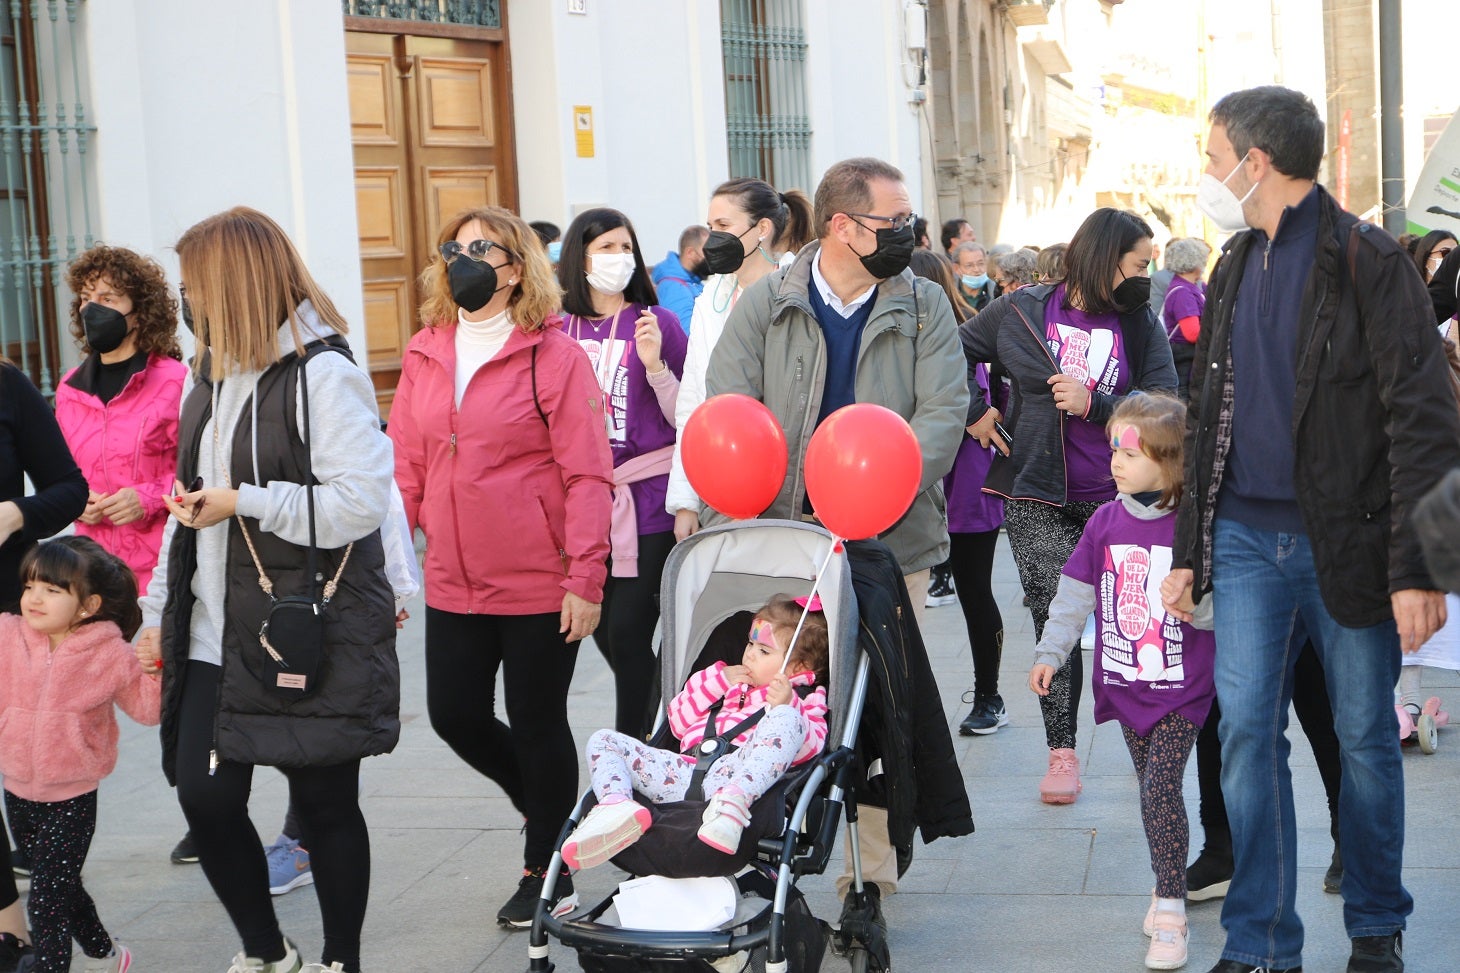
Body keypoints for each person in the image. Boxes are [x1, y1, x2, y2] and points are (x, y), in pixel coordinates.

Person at [1162, 85, 1460, 973]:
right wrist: (1191, 550)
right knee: (1248, 732)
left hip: (1353, 543)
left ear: (1255, 162)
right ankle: (1259, 940)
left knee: (1366, 739)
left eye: (1214, 155)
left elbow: (1423, 416)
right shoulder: (1232, 261)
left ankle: (1375, 927)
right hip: (1247, 543)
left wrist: (1422, 569)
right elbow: (1208, 413)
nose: (1208, 172)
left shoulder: (1367, 259)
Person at [705, 156, 971, 920]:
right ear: (842, 227)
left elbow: (943, 414)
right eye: (895, 223)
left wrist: (880, 494)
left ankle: (869, 878)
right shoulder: (768, 303)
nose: (910, 235)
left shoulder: (923, 304)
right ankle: (755, 850)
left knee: (882, 708)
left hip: (892, 540)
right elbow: (730, 403)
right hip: (783, 535)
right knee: (774, 698)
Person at [138, 206, 399, 973]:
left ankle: (339, 957)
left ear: (233, 285)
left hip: (295, 626)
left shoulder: (324, 372)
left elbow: (361, 503)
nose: (187, 303)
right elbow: (184, 508)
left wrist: (246, 499)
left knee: (324, 805)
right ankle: (265, 948)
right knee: (204, 797)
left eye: (194, 287)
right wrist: (159, 610)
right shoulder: (208, 377)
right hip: (212, 629)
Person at [390, 205, 612, 929]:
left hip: (538, 577)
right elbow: (405, 468)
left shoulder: (554, 355)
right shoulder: (426, 350)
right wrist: (394, 567)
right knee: (455, 713)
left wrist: (585, 575)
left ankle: (544, 864)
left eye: (480, 247)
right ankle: (553, 811)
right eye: (453, 246)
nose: (463, 258)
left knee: (536, 718)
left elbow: (587, 474)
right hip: (454, 574)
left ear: (515, 267)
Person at [963, 207, 1176, 803]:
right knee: (1053, 617)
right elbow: (953, 351)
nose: (1145, 276)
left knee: (1129, 622)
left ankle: (1151, 742)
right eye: (1138, 264)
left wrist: (1098, 403)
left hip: (1121, 500)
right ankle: (1061, 753)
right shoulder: (1023, 309)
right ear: (1106, 259)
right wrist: (974, 410)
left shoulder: (1139, 322)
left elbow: (1164, 401)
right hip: (1037, 492)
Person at [1030, 395, 1213, 971]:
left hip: (1183, 687)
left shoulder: (1194, 526)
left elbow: (1226, 600)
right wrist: (1051, 651)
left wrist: (1196, 609)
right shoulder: (1105, 522)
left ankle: (1171, 908)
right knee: (1150, 794)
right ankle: (1166, 881)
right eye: (1113, 448)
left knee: (1162, 788)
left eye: (1129, 452)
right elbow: (1073, 594)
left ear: (1170, 460)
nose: (1115, 461)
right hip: (1124, 684)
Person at [561, 595, 829, 868]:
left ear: (798, 667)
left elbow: (813, 747)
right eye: (750, 643)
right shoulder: (718, 678)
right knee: (604, 740)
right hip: (683, 771)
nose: (749, 653)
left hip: (738, 775)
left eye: (763, 651)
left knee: (788, 719)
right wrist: (716, 684)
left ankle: (732, 808)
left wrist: (788, 704)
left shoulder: (804, 700)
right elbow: (676, 725)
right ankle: (615, 806)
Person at [0, 537, 158, 973]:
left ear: (87, 605)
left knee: (47, 902)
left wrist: (155, 667)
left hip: (72, 797)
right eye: (31, 585)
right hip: (17, 790)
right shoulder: (9, 636)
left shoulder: (109, 654)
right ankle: (106, 955)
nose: (35, 598)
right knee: (62, 888)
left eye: (53, 590)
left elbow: (148, 710)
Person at [559, 207, 687, 737]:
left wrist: (655, 364)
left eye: (624, 247)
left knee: (630, 631)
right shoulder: (554, 327)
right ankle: (679, 715)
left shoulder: (657, 322)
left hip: (647, 503)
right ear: (578, 258)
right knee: (606, 634)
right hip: (582, 507)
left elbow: (687, 417)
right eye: (605, 248)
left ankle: (630, 756)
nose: (618, 258)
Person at [665, 177, 815, 541]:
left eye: (723, 226)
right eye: (710, 226)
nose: (712, 237)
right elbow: (694, 400)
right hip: (723, 481)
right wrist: (686, 499)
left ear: (762, 229)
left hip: (789, 485)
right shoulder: (710, 299)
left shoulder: (803, 291)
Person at [0, 357, 88, 968]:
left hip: (9, 618)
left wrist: (17, 513)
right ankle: (12, 927)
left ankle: (23, 929)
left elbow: (68, 487)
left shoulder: (6, 385)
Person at [908, 251, 1006, 735]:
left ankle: (989, 695)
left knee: (973, 589)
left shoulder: (963, 339)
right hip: (909, 478)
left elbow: (982, 404)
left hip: (965, 480)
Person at [55, 246, 188, 601]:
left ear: (139, 314)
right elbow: (60, 473)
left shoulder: (176, 381)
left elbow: (200, 473)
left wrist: (147, 499)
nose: (91, 309)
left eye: (107, 298)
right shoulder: (69, 388)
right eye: (85, 298)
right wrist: (74, 500)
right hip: (89, 572)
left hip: (160, 572)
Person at [1159, 237, 1212, 400]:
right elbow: (1192, 333)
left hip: (1189, 356)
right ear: (1193, 261)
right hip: (1185, 359)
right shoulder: (1182, 292)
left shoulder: (1194, 286)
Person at [651, 224, 709, 329]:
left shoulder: (693, 282)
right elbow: (686, 337)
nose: (712, 257)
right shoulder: (674, 288)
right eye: (707, 251)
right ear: (690, 252)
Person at [952, 242, 994, 311]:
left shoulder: (997, 292)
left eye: (981, 264)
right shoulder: (950, 295)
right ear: (956, 268)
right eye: (969, 265)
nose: (976, 269)